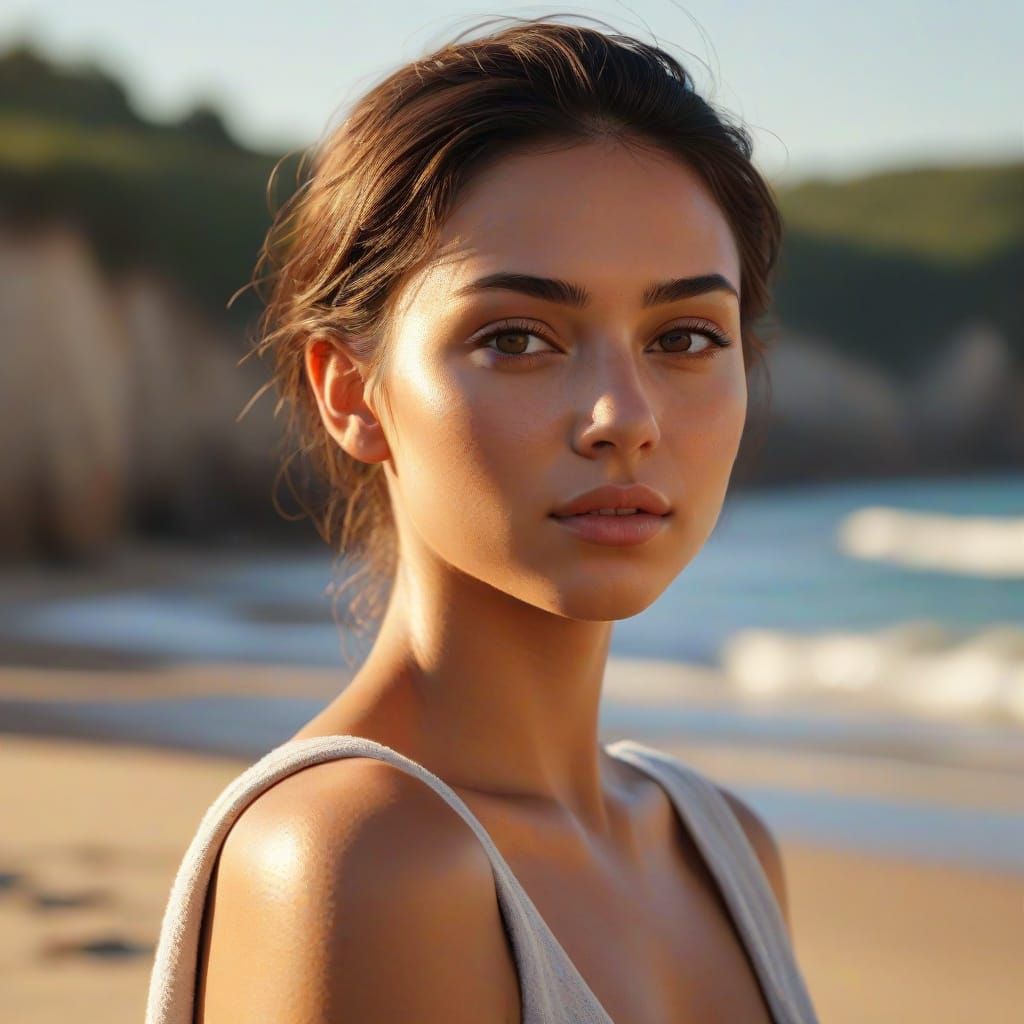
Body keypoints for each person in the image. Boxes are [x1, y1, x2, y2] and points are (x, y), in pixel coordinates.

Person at [145, 16, 819, 1024]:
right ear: (351, 393)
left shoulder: (721, 844)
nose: (623, 419)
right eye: (517, 338)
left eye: (682, 335)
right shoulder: (357, 859)